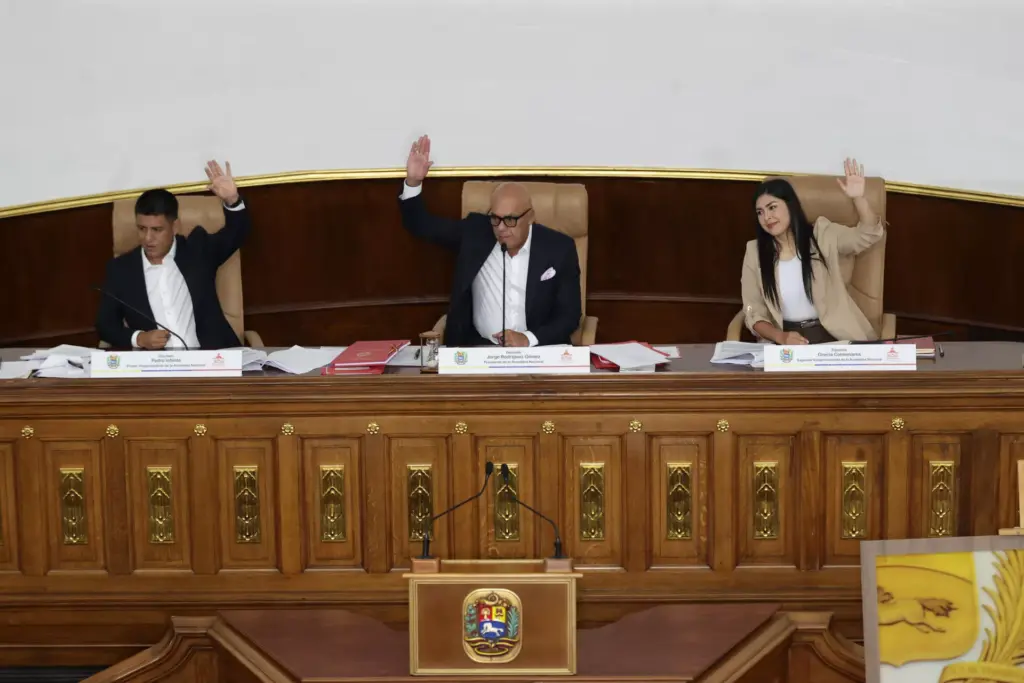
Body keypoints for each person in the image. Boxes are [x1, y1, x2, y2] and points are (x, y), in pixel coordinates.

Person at [398, 135, 582, 347]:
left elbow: (569, 315)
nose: (501, 228)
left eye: (510, 219)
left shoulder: (559, 248)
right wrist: (413, 182)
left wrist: (528, 339)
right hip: (478, 348)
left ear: (530, 217)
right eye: (495, 218)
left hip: (537, 349)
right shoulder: (476, 233)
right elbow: (422, 225)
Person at [96, 161, 250, 350]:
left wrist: (232, 199)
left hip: (211, 359)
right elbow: (106, 325)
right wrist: (139, 338)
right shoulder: (121, 270)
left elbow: (237, 233)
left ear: (175, 227)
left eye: (157, 230)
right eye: (142, 228)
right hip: (157, 364)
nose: (148, 238)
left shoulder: (198, 250)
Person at [741, 158, 884, 344]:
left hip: (832, 333)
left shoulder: (822, 235)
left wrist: (858, 198)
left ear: (790, 206)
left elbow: (867, 235)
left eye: (772, 207)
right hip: (786, 337)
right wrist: (780, 337)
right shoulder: (754, 252)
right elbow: (753, 311)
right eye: (760, 212)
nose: (767, 217)